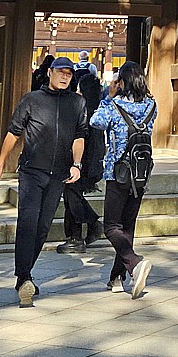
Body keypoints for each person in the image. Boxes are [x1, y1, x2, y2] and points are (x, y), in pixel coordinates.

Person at [0, 56, 86, 307]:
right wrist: (0, 164)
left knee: (43, 227)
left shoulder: (77, 103)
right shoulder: (32, 99)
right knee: (28, 222)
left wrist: (76, 164)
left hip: (59, 173)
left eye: (69, 74)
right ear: (50, 72)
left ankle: (25, 274)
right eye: (60, 72)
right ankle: (24, 277)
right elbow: (14, 132)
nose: (64, 77)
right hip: (32, 171)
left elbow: (79, 135)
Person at [90, 62, 158, 299]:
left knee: (111, 226)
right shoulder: (151, 105)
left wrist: (108, 97)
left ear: (122, 82)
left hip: (117, 172)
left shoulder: (114, 105)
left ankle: (135, 263)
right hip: (140, 173)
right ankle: (117, 277)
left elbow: (95, 121)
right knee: (127, 226)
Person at [58, 72, 105, 255]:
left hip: (81, 163)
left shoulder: (83, 112)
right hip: (90, 164)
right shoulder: (96, 111)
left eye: (79, 89)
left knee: (72, 196)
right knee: (72, 197)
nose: (76, 92)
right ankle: (76, 235)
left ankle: (80, 234)